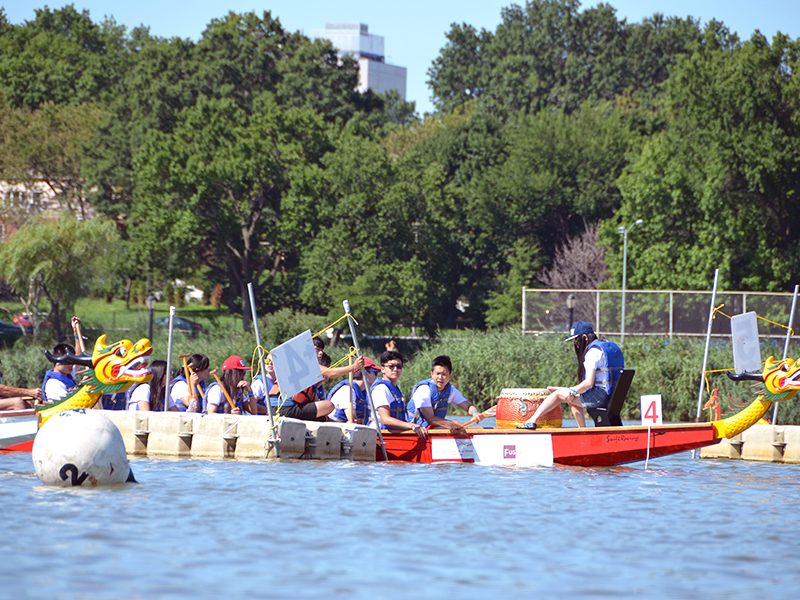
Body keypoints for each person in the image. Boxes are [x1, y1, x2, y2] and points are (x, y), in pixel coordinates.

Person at [517, 320, 624, 429]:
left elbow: (589, 382)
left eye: (576, 340)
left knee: (558, 395)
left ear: (585, 338)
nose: (576, 344)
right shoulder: (604, 348)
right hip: (612, 396)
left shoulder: (592, 353)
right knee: (570, 398)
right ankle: (582, 430)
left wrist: (572, 391)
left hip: (599, 397)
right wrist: (571, 391)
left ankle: (532, 420)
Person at [407, 355, 484, 431]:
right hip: (416, 429)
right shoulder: (423, 390)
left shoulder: (451, 390)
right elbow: (430, 419)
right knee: (457, 429)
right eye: (437, 374)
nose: (440, 377)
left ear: (450, 375)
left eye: (444, 374)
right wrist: (452, 423)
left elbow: (467, 406)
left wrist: (475, 413)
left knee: (460, 430)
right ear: (432, 374)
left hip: (433, 428)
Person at [371, 350, 427, 438]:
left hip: (392, 434)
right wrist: (412, 426)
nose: (395, 369)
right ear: (383, 369)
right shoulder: (381, 389)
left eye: (399, 366)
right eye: (391, 366)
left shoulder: (393, 388)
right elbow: (386, 420)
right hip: (379, 436)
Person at [41, 317, 87, 404]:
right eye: (68, 362)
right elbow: (68, 404)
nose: (71, 365)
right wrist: (84, 385)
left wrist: (77, 333)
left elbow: (78, 357)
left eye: (72, 362)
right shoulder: (54, 383)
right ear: (58, 363)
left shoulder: (67, 374)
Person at [328, 357, 382, 423]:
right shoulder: (348, 390)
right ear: (365, 373)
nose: (377, 377)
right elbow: (352, 419)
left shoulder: (364, 392)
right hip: (336, 428)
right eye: (375, 373)